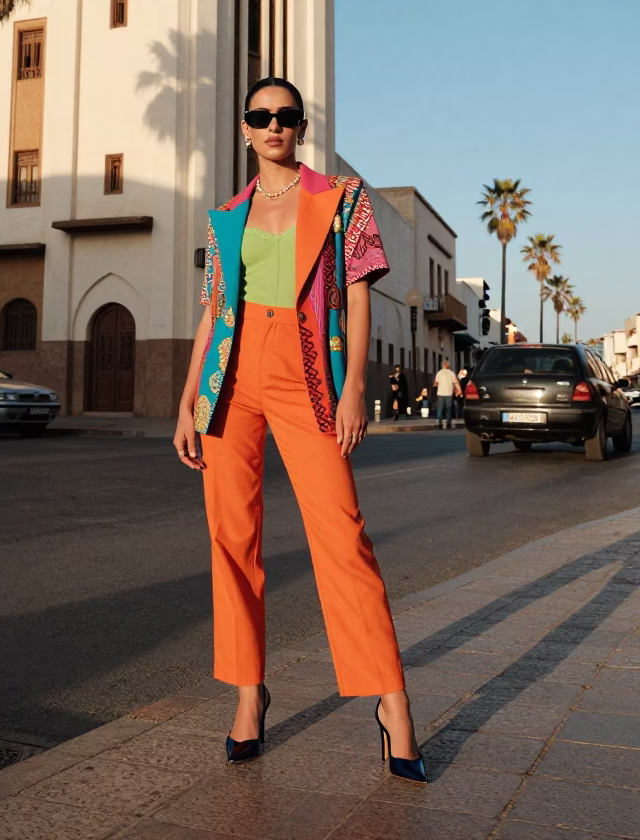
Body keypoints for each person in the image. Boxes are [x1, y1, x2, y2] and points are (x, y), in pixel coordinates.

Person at [173, 76, 426, 783]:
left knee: (342, 536)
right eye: (262, 116)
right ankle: (249, 693)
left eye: (287, 116)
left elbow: (357, 294)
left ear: (302, 127)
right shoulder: (226, 215)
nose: (274, 125)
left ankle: (393, 702)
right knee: (232, 538)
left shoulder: (342, 198)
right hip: (231, 376)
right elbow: (214, 306)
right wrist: (190, 396)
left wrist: (355, 391)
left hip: (310, 372)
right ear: (247, 130)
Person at [433, 359, 461, 429]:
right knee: (448, 409)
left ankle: (439, 422)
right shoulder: (451, 373)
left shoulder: (439, 373)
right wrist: (459, 391)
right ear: (448, 365)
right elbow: (456, 383)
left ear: (442, 365)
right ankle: (448, 422)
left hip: (440, 393)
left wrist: (434, 387)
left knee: (440, 408)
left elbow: (436, 383)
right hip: (449, 393)